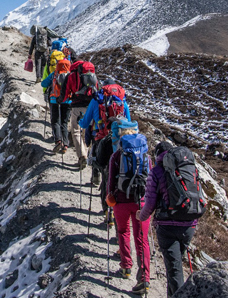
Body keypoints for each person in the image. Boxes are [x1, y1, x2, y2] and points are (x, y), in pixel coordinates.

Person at [136, 141, 200, 297]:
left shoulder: (157, 171)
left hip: (167, 226)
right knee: (174, 267)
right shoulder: (188, 169)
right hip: (189, 224)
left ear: (157, 155)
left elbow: (150, 203)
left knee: (174, 270)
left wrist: (141, 216)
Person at [106, 130, 151, 296]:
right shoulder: (146, 157)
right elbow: (151, 180)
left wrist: (110, 197)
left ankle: (126, 267)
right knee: (142, 239)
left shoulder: (117, 156)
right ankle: (145, 278)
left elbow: (111, 180)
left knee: (123, 231)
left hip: (121, 200)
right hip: (142, 202)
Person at [79, 78, 130, 212]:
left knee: (105, 175)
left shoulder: (97, 99)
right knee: (117, 174)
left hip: (101, 139)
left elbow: (85, 123)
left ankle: (107, 210)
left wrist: (80, 122)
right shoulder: (122, 101)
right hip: (119, 141)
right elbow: (128, 123)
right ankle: (115, 207)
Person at [41, 58, 72, 153]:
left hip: (54, 100)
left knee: (55, 121)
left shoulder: (54, 74)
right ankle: (66, 144)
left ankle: (58, 141)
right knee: (64, 122)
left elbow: (43, 83)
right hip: (67, 101)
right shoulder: (70, 76)